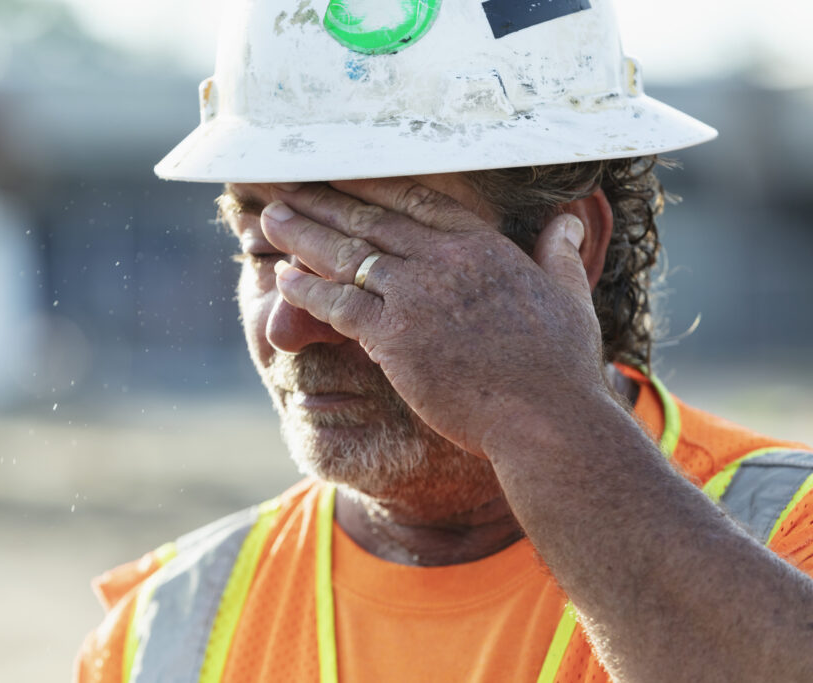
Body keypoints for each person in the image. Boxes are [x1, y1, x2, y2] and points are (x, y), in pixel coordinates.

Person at [76, 1, 813, 681]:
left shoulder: (790, 530)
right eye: (266, 253)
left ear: (573, 246)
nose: (288, 325)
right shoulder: (159, 635)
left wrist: (540, 413)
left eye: (371, 256)